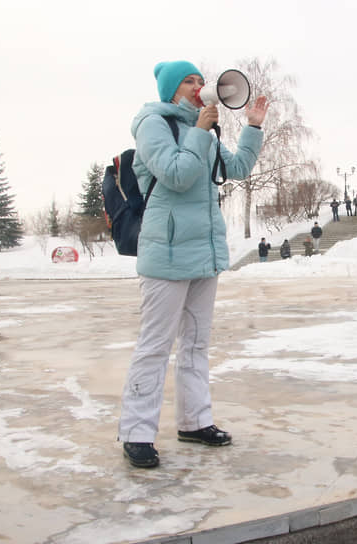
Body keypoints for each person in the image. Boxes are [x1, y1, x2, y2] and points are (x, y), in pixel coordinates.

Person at [117, 60, 268, 469]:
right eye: (190, 81)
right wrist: (201, 130)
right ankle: (136, 432)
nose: (199, 86)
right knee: (155, 346)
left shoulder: (204, 128)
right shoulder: (153, 125)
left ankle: (195, 421)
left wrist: (252, 127)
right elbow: (177, 175)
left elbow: (235, 168)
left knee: (197, 342)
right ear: (171, 90)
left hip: (204, 252)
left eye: (202, 80)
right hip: (165, 254)